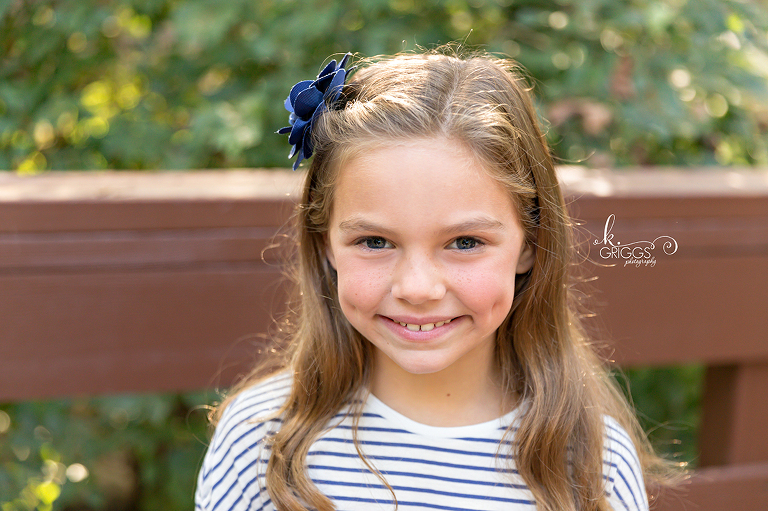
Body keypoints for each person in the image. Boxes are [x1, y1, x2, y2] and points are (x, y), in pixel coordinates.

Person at [195, 48, 674, 511]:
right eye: (375, 242)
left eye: (465, 242)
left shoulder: (592, 464)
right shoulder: (261, 441)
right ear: (325, 245)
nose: (418, 288)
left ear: (529, 244)